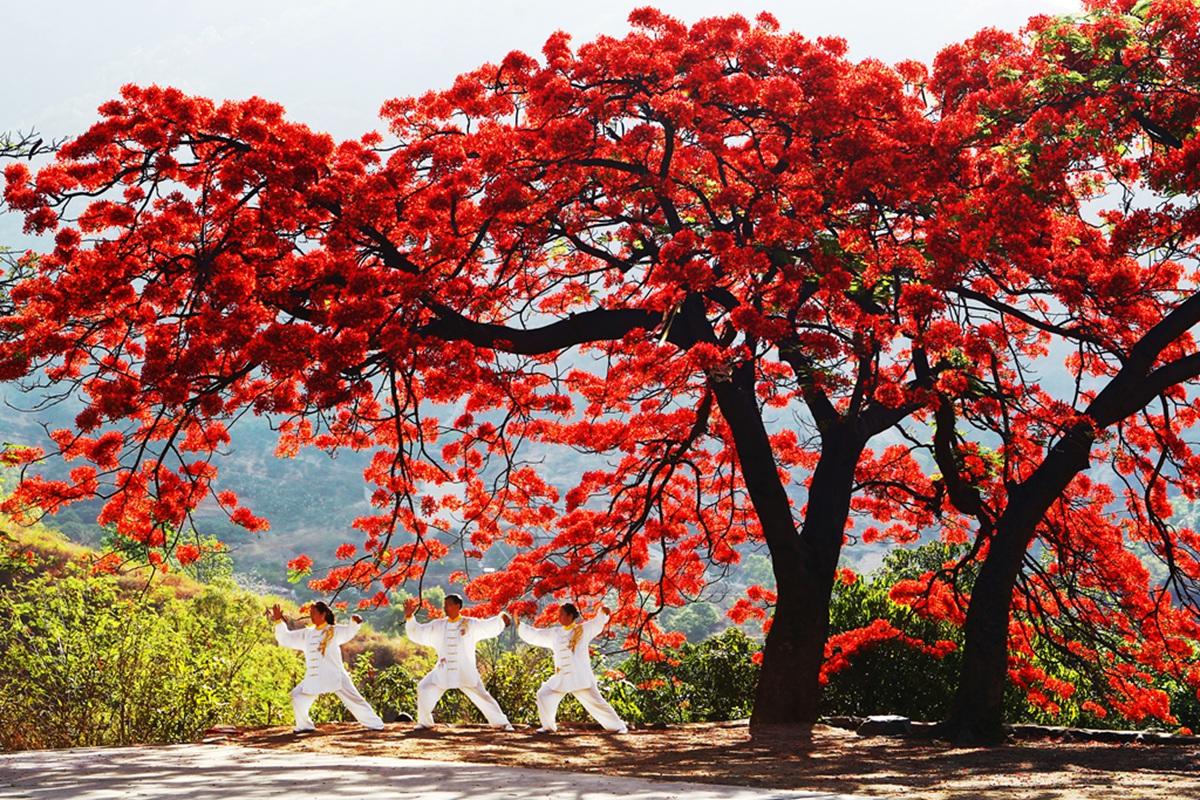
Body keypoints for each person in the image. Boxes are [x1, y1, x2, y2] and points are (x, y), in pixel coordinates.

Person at [270, 601, 385, 733]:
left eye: (314, 613)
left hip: (334, 675)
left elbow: (348, 631)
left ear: (323, 614)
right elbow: (286, 638)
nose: (311, 616)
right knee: (297, 697)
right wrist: (279, 621)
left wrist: (354, 622)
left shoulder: (333, 631)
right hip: (314, 676)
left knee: (355, 700)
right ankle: (304, 726)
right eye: (310, 613)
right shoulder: (307, 634)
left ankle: (375, 724)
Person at [404, 594, 514, 730]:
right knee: (424, 687)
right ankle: (425, 722)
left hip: (465, 670)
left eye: (449, 604)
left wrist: (501, 620)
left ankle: (502, 723)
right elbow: (419, 632)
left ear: (458, 606)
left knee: (483, 697)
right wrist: (410, 617)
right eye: (444, 605)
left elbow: (487, 626)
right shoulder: (438, 625)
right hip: (443, 669)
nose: (445, 608)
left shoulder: (470, 624)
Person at [517, 602, 628, 734]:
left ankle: (619, 727)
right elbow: (537, 634)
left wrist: (603, 613)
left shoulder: (582, 630)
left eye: (562, 614)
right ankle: (548, 727)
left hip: (580, 677)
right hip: (562, 677)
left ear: (570, 616)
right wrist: (520, 627)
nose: (559, 617)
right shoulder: (555, 633)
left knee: (598, 704)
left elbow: (597, 623)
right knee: (543, 695)